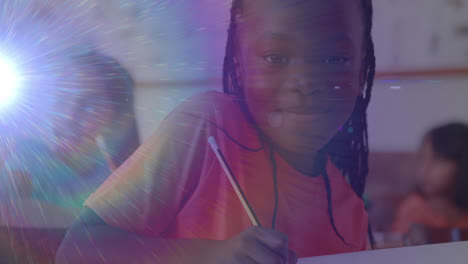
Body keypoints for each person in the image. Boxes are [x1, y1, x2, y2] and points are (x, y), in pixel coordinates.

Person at [57, 0, 376, 263]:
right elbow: (77, 251)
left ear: (362, 67)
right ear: (239, 63)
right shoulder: (209, 125)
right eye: (275, 58)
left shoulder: (350, 211)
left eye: (336, 58)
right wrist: (211, 254)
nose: (305, 82)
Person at [0, 51, 140, 262]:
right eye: (61, 100)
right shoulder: (30, 156)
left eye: (90, 106)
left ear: (119, 117)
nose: (69, 118)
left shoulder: (126, 177)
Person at [393, 123, 468, 238]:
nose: (424, 169)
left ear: (462, 164)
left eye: (438, 159)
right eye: (422, 158)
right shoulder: (414, 208)